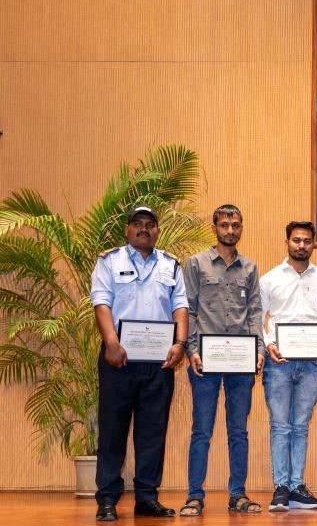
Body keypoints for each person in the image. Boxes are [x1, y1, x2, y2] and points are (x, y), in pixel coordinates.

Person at [90, 206, 189, 521]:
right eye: (138, 224)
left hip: (158, 363)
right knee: (112, 432)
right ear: (128, 230)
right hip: (118, 359)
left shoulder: (171, 266)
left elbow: (180, 306)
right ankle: (107, 499)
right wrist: (110, 343)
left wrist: (180, 344)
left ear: (157, 231)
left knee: (152, 433)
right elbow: (101, 302)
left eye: (150, 224)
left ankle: (146, 498)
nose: (144, 229)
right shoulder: (109, 261)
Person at [180, 204, 264, 516]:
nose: (231, 230)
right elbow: (188, 309)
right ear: (214, 227)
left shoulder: (250, 268)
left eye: (236, 225)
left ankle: (238, 494)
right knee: (202, 429)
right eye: (225, 225)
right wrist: (191, 351)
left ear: (242, 228)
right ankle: (194, 495)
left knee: (238, 430)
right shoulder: (197, 264)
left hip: (241, 362)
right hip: (206, 361)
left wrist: (258, 350)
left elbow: (255, 312)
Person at [260, 221, 317, 512]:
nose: (301, 245)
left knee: (300, 426)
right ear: (287, 242)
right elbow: (259, 318)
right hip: (278, 362)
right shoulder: (269, 279)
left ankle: (296, 486)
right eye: (296, 240)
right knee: (281, 426)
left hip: (311, 365)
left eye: (306, 240)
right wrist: (269, 345)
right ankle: (280, 487)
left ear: (313, 243)